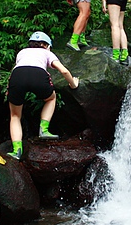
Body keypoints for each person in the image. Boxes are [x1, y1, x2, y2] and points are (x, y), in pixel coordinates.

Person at [6, 31, 79, 160]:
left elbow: (17, 69)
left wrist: (9, 88)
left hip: (17, 76)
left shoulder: (22, 52)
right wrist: (73, 84)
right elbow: (64, 71)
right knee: (51, 98)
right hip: (38, 75)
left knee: (15, 115)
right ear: (45, 45)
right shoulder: (47, 52)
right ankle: (43, 129)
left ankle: (17, 150)